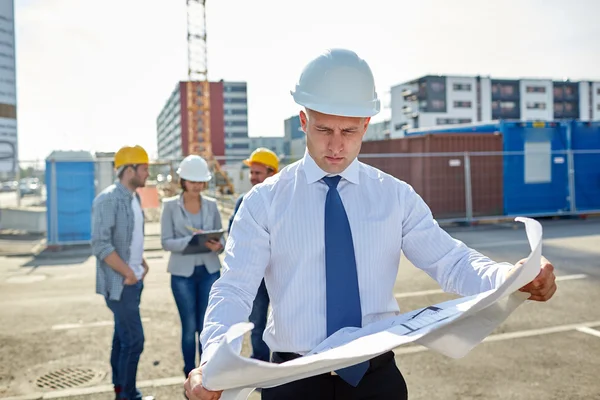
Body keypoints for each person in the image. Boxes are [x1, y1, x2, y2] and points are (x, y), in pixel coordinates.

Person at [184, 49, 557, 400]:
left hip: (375, 382)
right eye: (323, 129)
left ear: (366, 124)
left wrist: (511, 277)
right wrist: (214, 359)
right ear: (303, 121)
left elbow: (451, 261)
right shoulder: (263, 202)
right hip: (291, 382)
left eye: (348, 132)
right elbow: (233, 289)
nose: (335, 146)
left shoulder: (394, 196)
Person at [91, 145, 154, 400]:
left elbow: (128, 238)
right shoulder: (108, 199)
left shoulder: (134, 197)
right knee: (134, 341)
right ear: (129, 170)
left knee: (122, 339)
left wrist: (141, 261)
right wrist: (128, 272)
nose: (148, 173)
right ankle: (128, 395)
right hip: (121, 283)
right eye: (144, 168)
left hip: (133, 279)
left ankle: (121, 390)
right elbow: (100, 244)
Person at [160, 155, 225, 382]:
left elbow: (221, 239)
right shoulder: (169, 207)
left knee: (206, 327)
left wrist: (218, 245)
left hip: (209, 271)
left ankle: (206, 373)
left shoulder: (212, 204)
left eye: (200, 181)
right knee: (189, 327)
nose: (197, 185)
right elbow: (166, 241)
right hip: (182, 275)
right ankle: (190, 373)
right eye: (192, 180)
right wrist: (190, 241)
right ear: (183, 180)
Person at [227, 147, 279, 363]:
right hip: (256, 277)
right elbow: (233, 233)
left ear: (272, 173)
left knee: (285, 323)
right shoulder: (243, 201)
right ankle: (260, 364)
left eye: (257, 173)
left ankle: (283, 367)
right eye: (252, 173)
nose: (253, 178)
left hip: (280, 274)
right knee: (257, 323)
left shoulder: (286, 201)